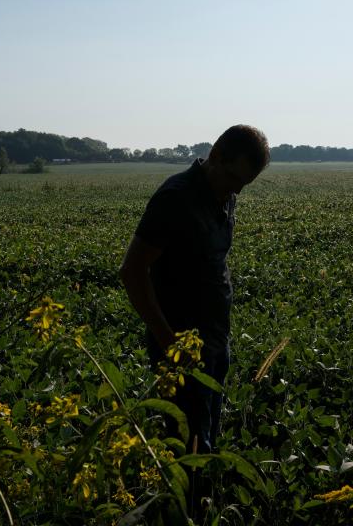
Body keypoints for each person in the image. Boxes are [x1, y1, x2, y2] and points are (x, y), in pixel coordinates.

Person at [120, 125, 269, 457]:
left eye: (244, 185)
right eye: (233, 179)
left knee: (208, 437)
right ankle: (182, 508)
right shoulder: (176, 197)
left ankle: (200, 505)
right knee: (187, 448)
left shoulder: (225, 195)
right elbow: (132, 271)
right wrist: (168, 341)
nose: (237, 191)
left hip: (216, 340)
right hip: (179, 348)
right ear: (215, 155)